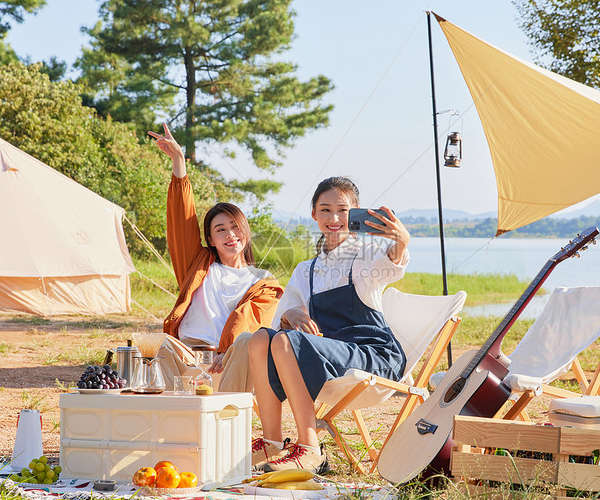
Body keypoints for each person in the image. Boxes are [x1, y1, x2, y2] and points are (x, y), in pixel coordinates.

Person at [247, 176, 410, 473]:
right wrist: (291, 316)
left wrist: (401, 241)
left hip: (371, 355)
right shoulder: (304, 270)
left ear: (357, 213)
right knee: (260, 339)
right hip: (328, 358)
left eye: (343, 210)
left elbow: (394, 264)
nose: (334, 218)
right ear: (314, 215)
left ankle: (310, 449)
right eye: (325, 210)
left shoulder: (367, 253)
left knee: (285, 341)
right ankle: (271, 443)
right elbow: (280, 321)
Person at [148, 124, 283, 392]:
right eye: (221, 230)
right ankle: (175, 422)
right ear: (210, 239)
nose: (230, 235)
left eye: (235, 227)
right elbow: (181, 221)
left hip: (229, 363)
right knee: (160, 344)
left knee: (248, 342)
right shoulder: (198, 265)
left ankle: (225, 421)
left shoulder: (264, 282)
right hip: (186, 358)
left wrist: (226, 351)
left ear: (245, 232)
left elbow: (249, 320)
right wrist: (178, 161)